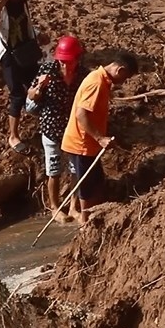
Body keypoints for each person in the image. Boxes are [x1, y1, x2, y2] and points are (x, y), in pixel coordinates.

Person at [60, 53, 139, 225]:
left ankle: (89, 216)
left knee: (95, 182)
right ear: (120, 70)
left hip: (88, 144)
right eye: (125, 77)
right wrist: (100, 138)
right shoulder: (96, 83)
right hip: (81, 144)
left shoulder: (100, 79)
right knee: (86, 187)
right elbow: (81, 115)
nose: (124, 82)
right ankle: (85, 223)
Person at [26, 35, 91, 223]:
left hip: (73, 127)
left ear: (77, 59)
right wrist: (39, 86)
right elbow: (31, 94)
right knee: (53, 169)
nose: (65, 66)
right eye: (62, 62)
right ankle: (54, 207)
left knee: (75, 169)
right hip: (51, 126)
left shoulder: (83, 74)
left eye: (68, 62)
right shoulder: (47, 69)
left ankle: (73, 206)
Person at [0, 0, 48, 155]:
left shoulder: (23, 3)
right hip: (9, 54)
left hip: (26, 50)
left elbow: (25, 25)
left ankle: (41, 119)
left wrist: (38, 34)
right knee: (17, 95)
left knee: (39, 85)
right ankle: (13, 136)